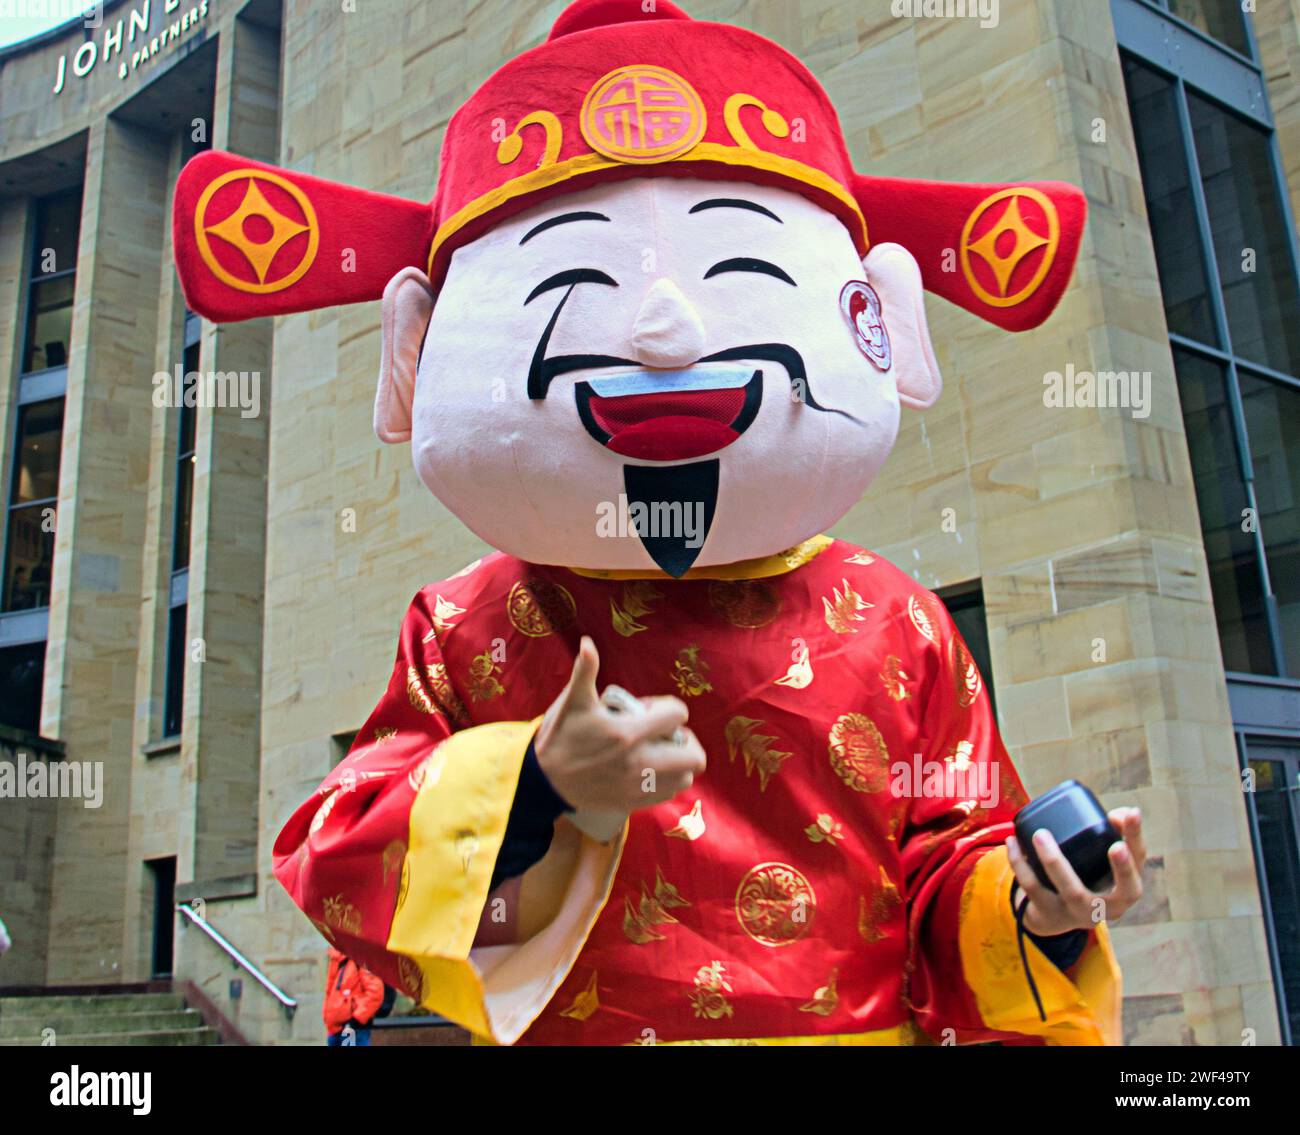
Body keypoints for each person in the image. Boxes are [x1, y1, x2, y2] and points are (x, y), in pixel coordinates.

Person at [174, 0, 1146, 1045]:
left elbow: (944, 865)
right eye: (568, 283)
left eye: (748, 276)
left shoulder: (897, 622)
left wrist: (1035, 904)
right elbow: (339, 856)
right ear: (413, 350)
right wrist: (530, 789)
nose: (666, 332)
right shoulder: (469, 627)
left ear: (888, 324)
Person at [322, 948, 384, 1047]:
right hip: (334, 1029)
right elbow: (329, 992)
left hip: (353, 1029)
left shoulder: (362, 957)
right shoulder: (336, 957)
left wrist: (356, 1020)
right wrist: (327, 1018)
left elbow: (375, 993)